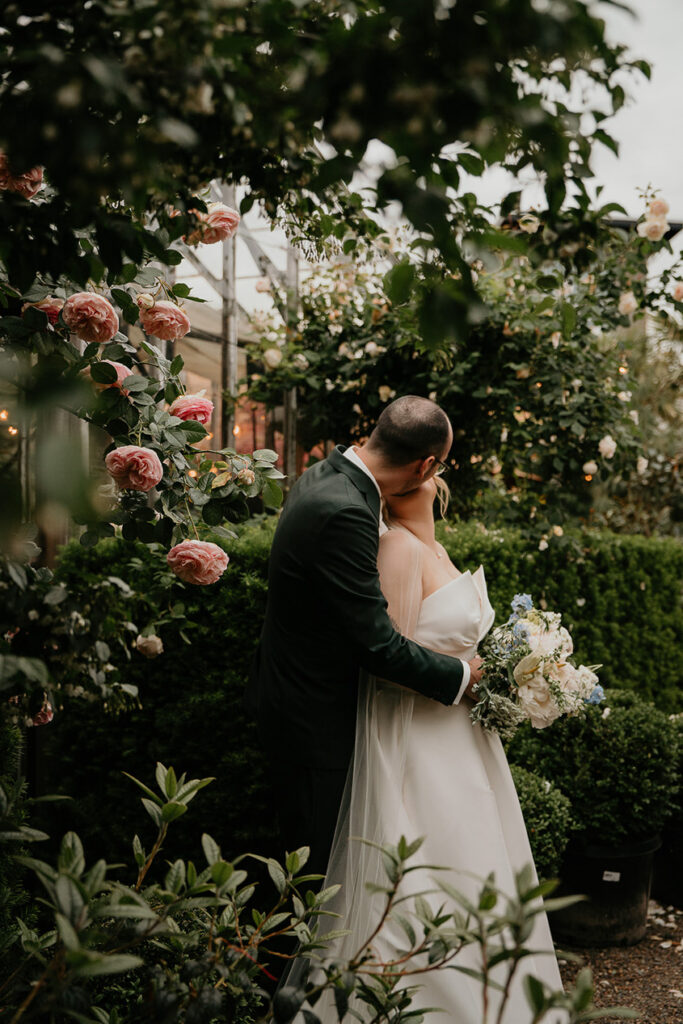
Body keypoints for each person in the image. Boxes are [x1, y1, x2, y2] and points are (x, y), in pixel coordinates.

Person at [313, 475, 565, 1022]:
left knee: (480, 861)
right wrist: (472, 680)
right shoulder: (396, 547)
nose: (421, 476)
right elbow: (388, 663)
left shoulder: (437, 549)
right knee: (432, 866)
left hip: (468, 738)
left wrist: (520, 673)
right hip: (424, 742)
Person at [246, 396, 483, 878]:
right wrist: (466, 679)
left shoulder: (325, 476)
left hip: (298, 702)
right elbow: (376, 644)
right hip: (316, 724)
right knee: (316, 883)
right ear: (427, 465)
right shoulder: (346, 511)